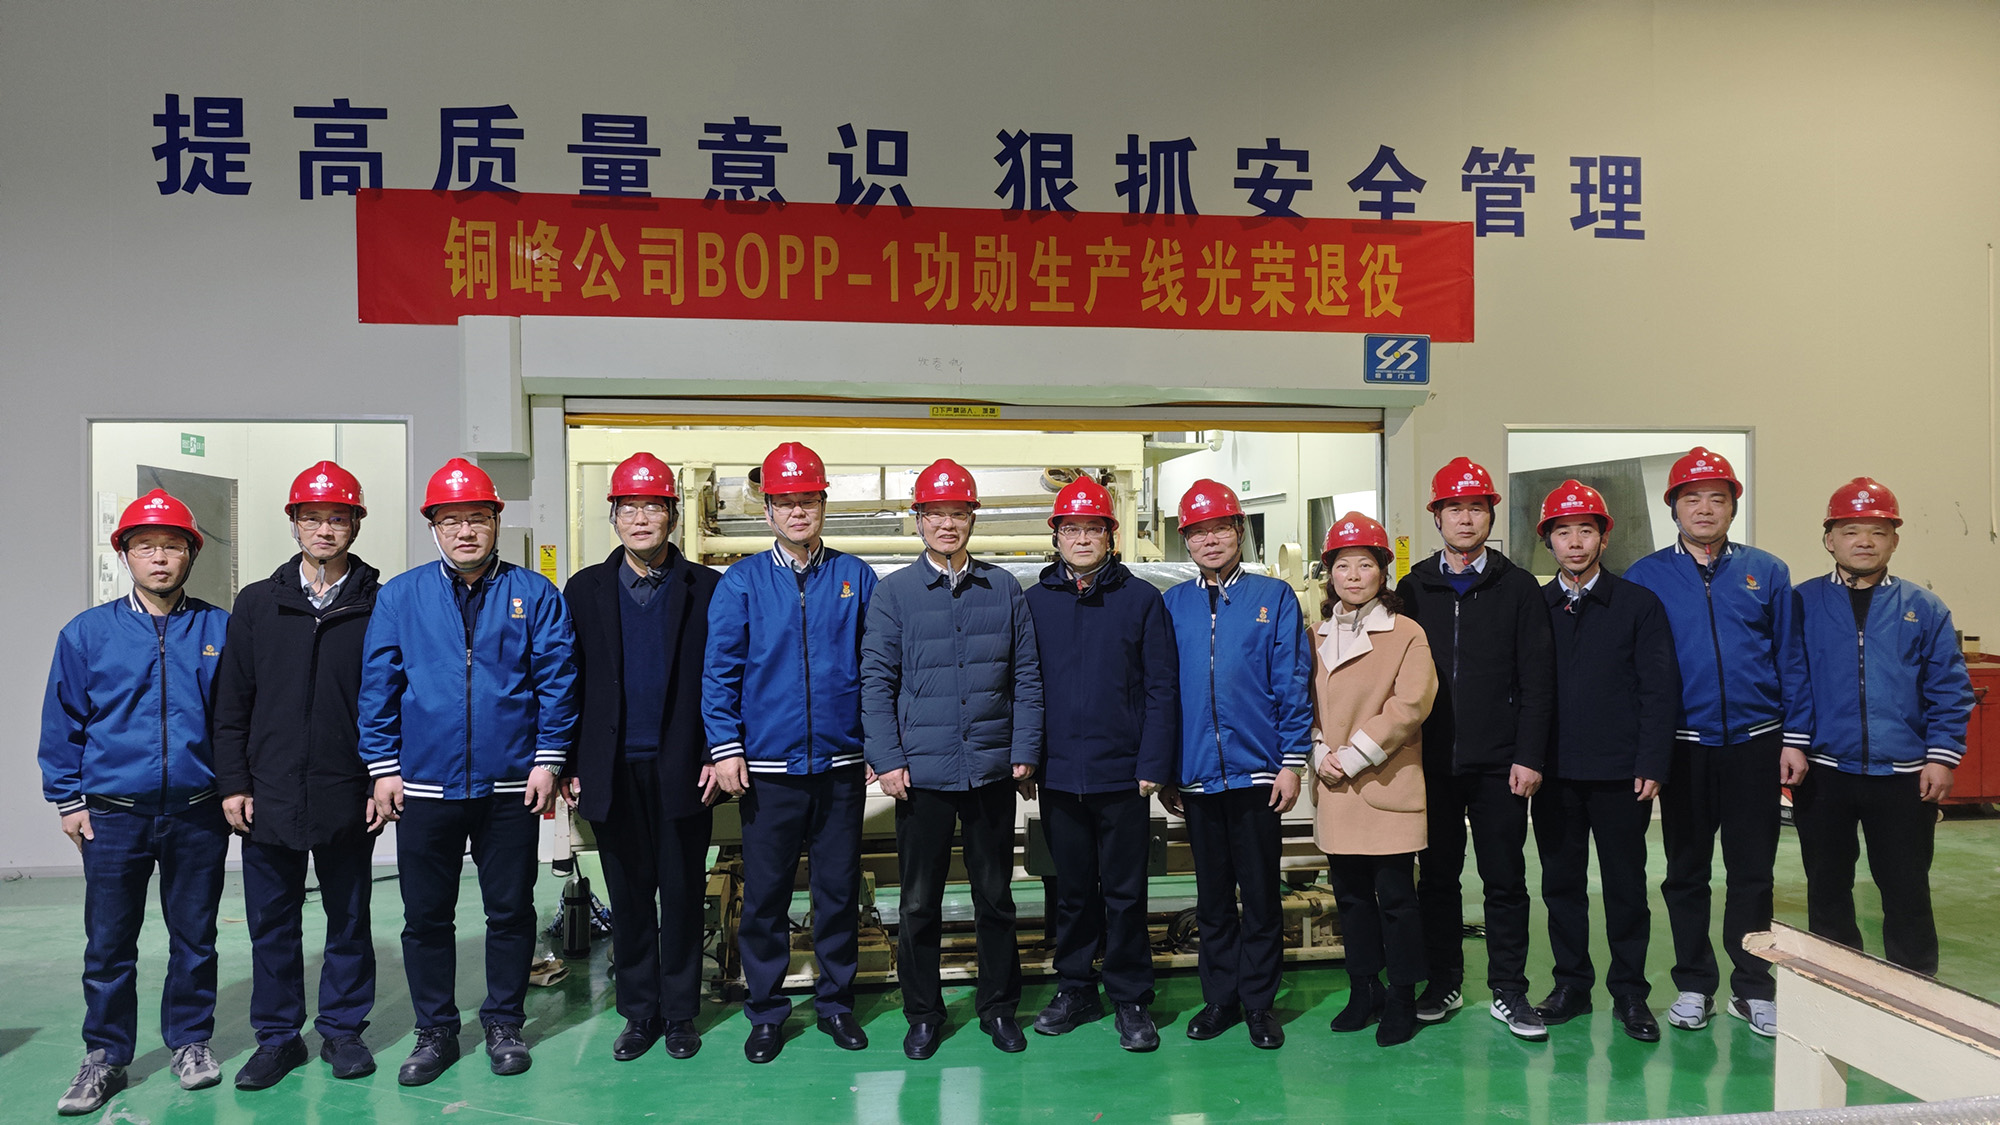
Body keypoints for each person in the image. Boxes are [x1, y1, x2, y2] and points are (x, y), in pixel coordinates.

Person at [358, 458, 579, 1085]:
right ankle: (435, 1031)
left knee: (509, 911)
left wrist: (549, 759)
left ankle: (504, 1023)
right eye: (451, 520)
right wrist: (383, 767)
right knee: (427, 916)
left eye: (477, 518)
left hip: (511, 785)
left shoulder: (535, 593)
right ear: (433, 527)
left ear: (496, 522)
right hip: (424, 785)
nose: (465, 531)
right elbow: (378, 685)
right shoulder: (401, 596)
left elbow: (558, 681)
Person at [39, 489, 231, 1115]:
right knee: (109, 942)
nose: (160, 558)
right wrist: (67, 799)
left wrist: (236, 789)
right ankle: (105, 1055)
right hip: (112, 814)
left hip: (198, 810)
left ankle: (191, 1041)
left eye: (172, 546)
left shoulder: (219, 629)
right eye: (146, 546)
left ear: (191, 554)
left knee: (195, 937)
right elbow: (63, 722)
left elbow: (237, 720)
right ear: (124, 553)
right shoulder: (87, 633)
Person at [1624, 447, 1812, 1039]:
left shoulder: (1768, 572)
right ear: (1673, 508)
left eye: (1717, 498)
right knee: (1686, 871)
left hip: (1756, 744)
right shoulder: (1646, 576)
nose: (1704, 508)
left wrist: (1794, 738)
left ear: (1733, 506)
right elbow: (1634, 670)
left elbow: (1791, 658)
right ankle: (1694, 983)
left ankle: (1753, 986)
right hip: (1683, 746)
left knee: (1752, 871)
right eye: (1692, 498)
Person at [862, 458, 1044, 1060]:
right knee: (919, 903)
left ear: (972, 519)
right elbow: (876, 681)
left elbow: (1027, 675)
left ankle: (999, 1008)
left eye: (958, 513)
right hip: (923, 774)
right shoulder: (894, 594)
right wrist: (887, 757)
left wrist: (1024, 749)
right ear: (918, 520)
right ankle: (923, 1013)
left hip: (990, 770)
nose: (947, 524)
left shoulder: (1004, 589)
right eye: (935, 513)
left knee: (996, 897)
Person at [703, 441, 878, 1063]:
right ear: (768, 510)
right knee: (767, 897)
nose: (797, 511)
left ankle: (835, 1004)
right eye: (785, 501)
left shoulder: (856, 577)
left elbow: (876, 667)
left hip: (840, 766)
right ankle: (767, 1010)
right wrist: (726, 747)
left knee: (837, 892)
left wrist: (875, 744)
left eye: (808, 500)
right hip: (768, 770)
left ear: (823, 504)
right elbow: (720, 671)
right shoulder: (743, 581)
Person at [212, 461, 382, 1090]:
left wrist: (379, 778)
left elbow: (393, 698)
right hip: (270, 790)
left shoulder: (378, 602)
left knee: (349, 919)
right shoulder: (259, 602)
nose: (324, 529)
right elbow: (233, 700)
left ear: (355, 524)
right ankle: (278, 1037)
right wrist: (234, 781)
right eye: (312, 518)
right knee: (272, 923)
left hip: (347, 788)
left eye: (337, 518)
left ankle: (342, 1030)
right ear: (294, 523)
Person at [562, 453, 721, 1062]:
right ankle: (638, 1013)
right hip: (610, 767)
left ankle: (680, 1013)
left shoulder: (707, 588)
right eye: (629, 508)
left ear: (673, 516)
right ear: (613, 517)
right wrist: (570, 763)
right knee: (628, 898)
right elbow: (567, 681)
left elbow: (724, 678)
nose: (641, 519)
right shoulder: (584, 589)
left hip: (685, 766)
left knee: (681, 894)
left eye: (653, 507)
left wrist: (715, 752)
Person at [1395, 457, 1556, 1041]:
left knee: (1505, 880)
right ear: (1437, 517)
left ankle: (1509, 990)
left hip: (1500, 764)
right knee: (1437, 880)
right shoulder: (1414, 588)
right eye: (1454, 508)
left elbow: (1538, 679)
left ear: (1490, 516)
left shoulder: (1518, 588)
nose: (1465, 519)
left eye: (1476, 508)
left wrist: (1529, 754)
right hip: (1431, 763)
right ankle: (1443, 981)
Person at [1793, 477, 1974, 974]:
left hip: (1904, 775)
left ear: (1894, 540)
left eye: (1877, 531)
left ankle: (1914, 988)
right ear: (1830, 539)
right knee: (1827, 887)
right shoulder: (1800, 603)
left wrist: (1941, 756)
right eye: (1851, 531)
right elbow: (1789, 679)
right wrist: (1793, 744)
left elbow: (1950, 688)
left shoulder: (1924, 608)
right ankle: (1836, 984)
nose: (1864, 542)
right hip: (1824, 772)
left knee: (1906, 888)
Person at [1022, 477, 1177, 1053]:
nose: (1082, 538)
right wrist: (1027, 758)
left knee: (1125, 892)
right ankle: (1075, 987)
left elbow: (1161, 687)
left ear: (1111, 536)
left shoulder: (1141, 601)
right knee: (1070, 892)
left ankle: (1131, 996)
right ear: (1056, 537)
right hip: (1060, 774)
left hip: (1123, 775)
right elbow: (1022, 685)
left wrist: (1154, 761)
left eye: (1093, 528)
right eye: (1072, 529)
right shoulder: (1035, 603)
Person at [1160, 479, 1311, 1051]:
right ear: (1186, 541)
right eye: (1198, 532)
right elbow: (1161, 692)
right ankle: (1220, 998)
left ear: (1240, 531)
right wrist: (1168, 768)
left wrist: (1293, 761)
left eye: (1220, 528)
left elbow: (1292, 682)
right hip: (1196, 776)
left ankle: (1259, 1004)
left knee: (1261, 895)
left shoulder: (1274, 598)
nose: (1210, 540)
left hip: (1259, 775)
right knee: (1214, 898)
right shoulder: (1172, 604)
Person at [1528, 481, 1678, 1043]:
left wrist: (1652, 761)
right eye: (1563, 532)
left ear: (1604, 538)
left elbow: (1659, 689)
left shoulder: (1638, 605)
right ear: (1548, 540)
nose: (1575, 542)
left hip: (1621, 774)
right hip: (1554, 774)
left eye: (1586, 531)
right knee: (1561, 885)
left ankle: (1631, 992)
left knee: (1625, 886)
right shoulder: (1535, 608)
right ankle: (1571, 985)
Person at [1309, 513, 1437, 1049]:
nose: (1354, 576)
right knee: (1351, 898)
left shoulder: (1406, 633)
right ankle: (1364, 989)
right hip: (1335, 787)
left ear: (1384, 571)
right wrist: (1319, 751)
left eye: (1365, 564)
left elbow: (1410, 705)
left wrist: (1353, 755)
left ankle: (1403, 996)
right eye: (1343, 566)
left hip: (1386, 785)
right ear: (1330, 574)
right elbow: (1302, 701)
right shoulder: (1315, 634)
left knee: (1397, 900)